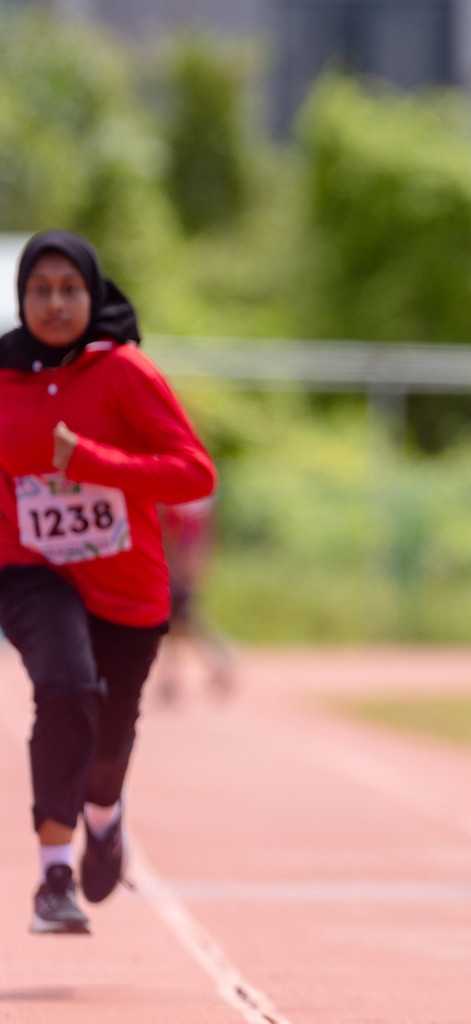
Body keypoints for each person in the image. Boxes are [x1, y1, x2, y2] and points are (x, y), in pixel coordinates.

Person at [0, 231, 216, 934]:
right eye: (40, 289)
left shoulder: (125, 372)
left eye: (69, 289)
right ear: (20, 297)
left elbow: (195, 474)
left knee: (107, 747)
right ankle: (52, 876)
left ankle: (105, 815)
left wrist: (93, 461)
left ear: (93, 296)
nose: (54, 302)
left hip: (127, 590)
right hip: (32, 572)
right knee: (64, 690)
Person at [156, 494, 234, 704]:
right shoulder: (192, 501)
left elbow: (193, 538)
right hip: (175, 568)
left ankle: (221, 665)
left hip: (178, 570)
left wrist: (189, 566)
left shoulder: (184, 503)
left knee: (184, 623)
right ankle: (171, 679)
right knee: (175, 624)